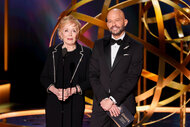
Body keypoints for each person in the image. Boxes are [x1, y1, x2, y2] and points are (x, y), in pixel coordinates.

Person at [89, 8, 144, 127]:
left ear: (125, 22)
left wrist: (112, 100)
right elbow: (92, 74)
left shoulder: (136, 47)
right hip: (101, 107)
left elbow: (132, 78)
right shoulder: (98, 45)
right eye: (110, 21)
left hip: (123, 107)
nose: (113, 24)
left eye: (117, 20)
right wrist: (104, 100)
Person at [40, 15, 91, 127]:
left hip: (75, 103)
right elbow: (44, 78)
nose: (70, 34)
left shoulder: (86, 53)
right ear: (60, 34)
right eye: (66, 30)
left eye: (74, 30)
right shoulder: (52, 52)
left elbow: (90, 80)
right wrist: (55, 90)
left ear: (78, 33)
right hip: (54, 102)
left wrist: (73, 90)